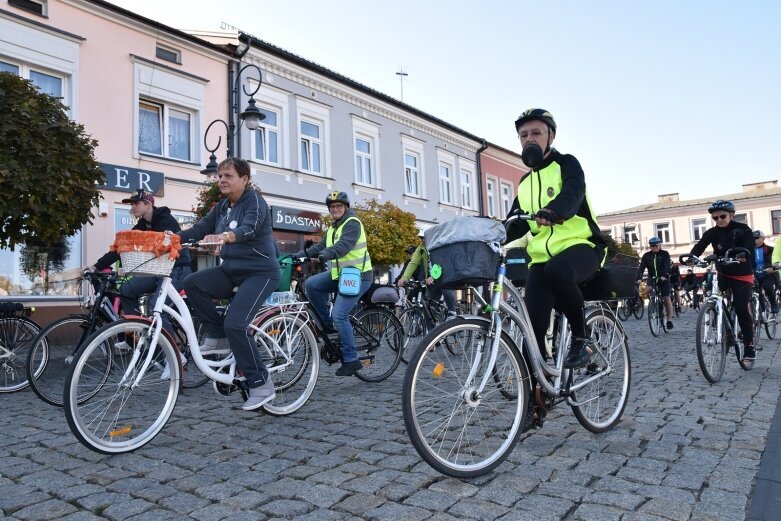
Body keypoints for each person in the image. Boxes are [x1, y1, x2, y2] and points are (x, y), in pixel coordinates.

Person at [505, 108, 606, 369]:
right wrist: (488, 238)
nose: (529, 139)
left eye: (536, 133)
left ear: (551, 135)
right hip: (541, 258)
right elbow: (513, 224)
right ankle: (537, 400)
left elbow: (573, 194)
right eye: (523, 135)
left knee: (558, 270)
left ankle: (583, 339)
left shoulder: (567, 164)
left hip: (582, 246)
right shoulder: (525, 182)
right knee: (533, 329)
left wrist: (554, 211)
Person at [177, 158, 280, 411]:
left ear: (244, 179)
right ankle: (217, 335)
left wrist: (224, 236)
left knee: (236, 323)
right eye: (220, 176)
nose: (221, 179)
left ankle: (261, 383)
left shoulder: (255, 201)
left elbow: (249, 228)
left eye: (228, 176)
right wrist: (170, 238)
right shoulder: (222, 207)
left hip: (260, 273)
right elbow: (199, 229)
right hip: (230, 271)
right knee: (192, 283)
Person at [86, 189, 192, 327]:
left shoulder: (166, 220)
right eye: (132, 204)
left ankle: (166, 347)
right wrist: (96, 266)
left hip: (177, 270)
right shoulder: (142, 225)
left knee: (157, 309)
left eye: (136, 203)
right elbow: (121, 248)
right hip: (156, 271)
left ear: (148, 204)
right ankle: (134, 334)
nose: (133, 207)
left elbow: (164, 247)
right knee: (126, 290)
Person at [294, 191, 373, 376]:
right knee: (311, 285)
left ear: (346, 207)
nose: (335, 209)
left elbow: (344, 245)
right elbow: (319, 247)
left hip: (358, 276)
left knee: (340, 315)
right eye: (332, 207)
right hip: (340, 275)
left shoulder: (352, 223)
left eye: (339, 206)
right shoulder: (332, 228)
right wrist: (297, 256)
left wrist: (326, 255)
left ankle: (351, 360)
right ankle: (328, 325)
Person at [688, 199, 756, 361]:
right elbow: (700, 246)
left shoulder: (743, 229)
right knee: (713, 297)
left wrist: (743, 254)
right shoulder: (712, 232)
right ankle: (722, 325)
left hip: (742, 275)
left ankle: (749, 345)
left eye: (722, 216)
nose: (719, 220)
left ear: (731, 215)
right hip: (723, 273)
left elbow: (749, 245)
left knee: (740, 307)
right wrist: (692, 257)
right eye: (715, 218)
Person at [397, 243, 458, 327]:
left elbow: (443, 260)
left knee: (445, 288)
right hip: (432, 280)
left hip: (444, 275)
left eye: (423, 237)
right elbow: (413, 263)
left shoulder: (439, 242)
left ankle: (452, 312)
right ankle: (432, 334)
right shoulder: (421, 248)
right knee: (427, 306)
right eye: (421, 238)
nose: (422, 240)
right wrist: (404, 277)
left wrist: (433, 276)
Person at [636, 237, 675, 329]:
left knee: (666, 298)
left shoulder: (665, 254)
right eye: (652, 246)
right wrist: (639, 277)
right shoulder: (646, 256)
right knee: (648, 289)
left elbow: (667, 266)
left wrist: (665, 275)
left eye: (656, 245)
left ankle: (669, 320)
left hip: (663, 278)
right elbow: (641, 267)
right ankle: (653, 302)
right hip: (652, 277)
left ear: (659, 245)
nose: (654, 247)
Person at [753, 230, 779, 314]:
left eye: (756, 238)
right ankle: (761, 309)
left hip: (767, 274)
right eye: (752, 238)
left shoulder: (770, 249)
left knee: (768, 286)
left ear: (763, 238)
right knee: (755, 291)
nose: (754, 240)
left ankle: (773, 304)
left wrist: (771, 267)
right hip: (754, 275)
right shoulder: (749, 251)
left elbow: (775, 260)